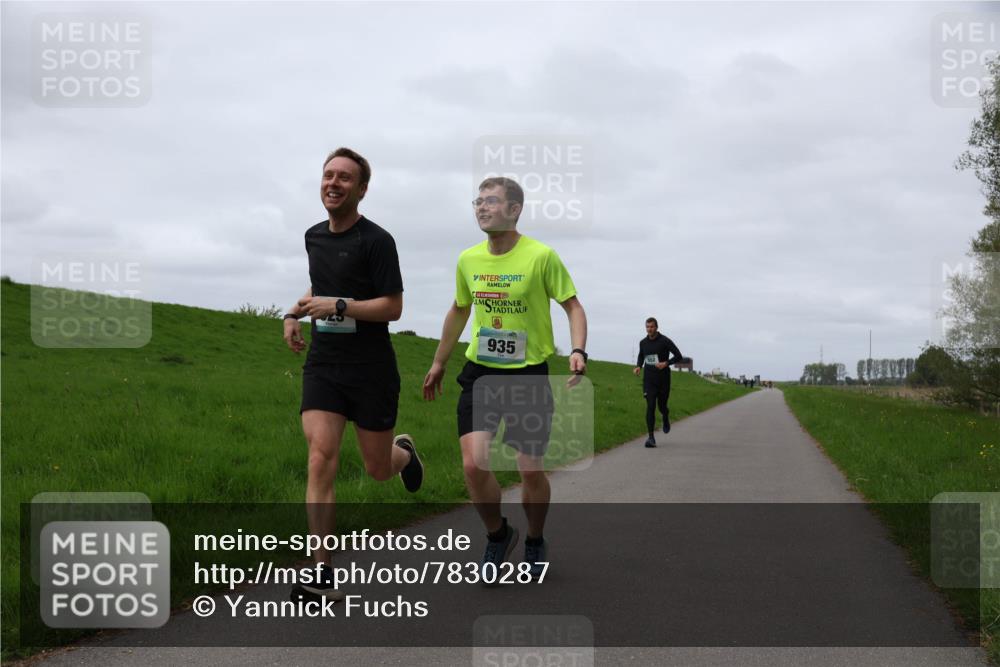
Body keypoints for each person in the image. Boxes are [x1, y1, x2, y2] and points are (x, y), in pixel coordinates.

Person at [423, 176, 587, 583]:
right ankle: (498, 534)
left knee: (530, 471)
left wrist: (578, 350)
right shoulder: (468, 259)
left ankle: (534, 539)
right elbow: (460, 310)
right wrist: (439, 361)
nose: (481, 208)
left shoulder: (541, 256)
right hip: (480, 372)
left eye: (491, 201)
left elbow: (573, 306)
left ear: (514, 210)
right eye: (477, 201)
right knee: (473, 463)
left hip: (528, 375)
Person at [282, 147, 423, 602]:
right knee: (321, 456)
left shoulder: (377, 241)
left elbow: (393, 307)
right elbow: (320, 284)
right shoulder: (313, 236)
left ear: (362, 189)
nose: (333, 183)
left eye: (345, 178)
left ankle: (404, 453)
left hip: (371, 369)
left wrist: (339, 306)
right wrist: (295, 311)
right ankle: (321, 573)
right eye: (328, 175)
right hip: (325, 364)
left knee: (378, 469)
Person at [632, 318, 683, 448]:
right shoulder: (643, 343)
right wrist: (638, 366)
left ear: (657, 327)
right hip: (649, 380)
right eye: (647, 327)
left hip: (663, 379)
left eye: (652, 327)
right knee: (650, 406)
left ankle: (665, 415)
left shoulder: (665, 341)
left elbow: (678, 356)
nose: (649, 329)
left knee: (661, 406)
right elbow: (641, 356)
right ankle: (651, 438)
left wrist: (666, 363)